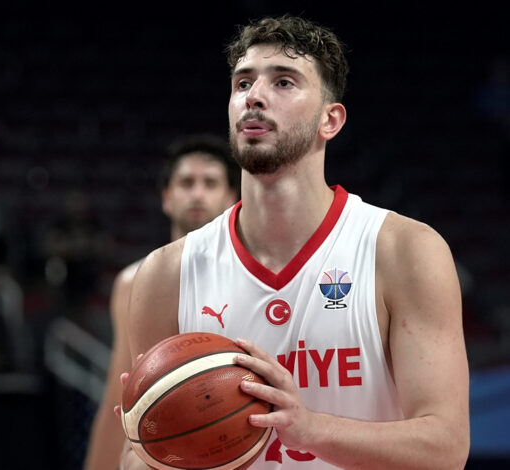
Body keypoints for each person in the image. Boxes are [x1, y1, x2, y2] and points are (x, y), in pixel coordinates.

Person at [122, 15, 470, 470]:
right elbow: (135, 457)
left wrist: (309, 429)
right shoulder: (166, 274)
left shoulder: (404, 251)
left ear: (330, 119)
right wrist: (155, 448)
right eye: (243, 83)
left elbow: (446, 446)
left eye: (283, 82)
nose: (254, 96)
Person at [83, 134, 238, 470]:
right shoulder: (133, 282)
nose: (198, 193)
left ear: (231, 198)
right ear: (166, 198)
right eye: (187, 182)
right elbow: (120, 397)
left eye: (210, 183)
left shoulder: (249, 278)